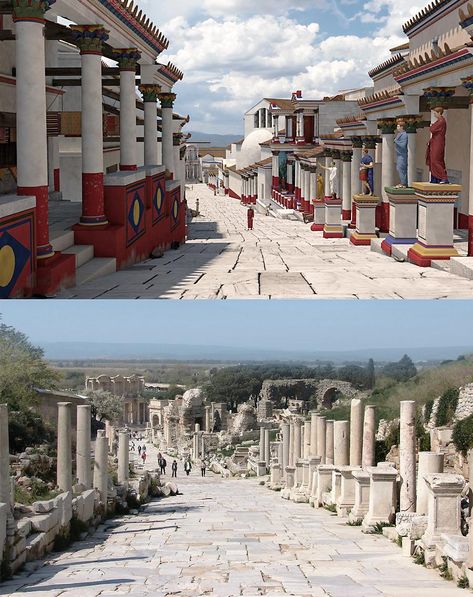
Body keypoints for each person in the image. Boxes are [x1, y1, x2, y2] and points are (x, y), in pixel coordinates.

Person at [426, 106, 449, 183]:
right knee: (433, 160)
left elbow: (432, 129)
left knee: (436, 160)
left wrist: (431, 126)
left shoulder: (441, 121)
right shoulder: (439, 121)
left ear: (439, 113)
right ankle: (435, 178)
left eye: (435, 113)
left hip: (438, 143)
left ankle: (443, 177)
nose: (434, 115)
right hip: (435, 142)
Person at [394, 120, 408, 187]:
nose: (397, 127)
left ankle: (404, 183)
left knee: (401, 168)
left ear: (402, 127)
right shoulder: (399, 134)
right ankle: (402, 182)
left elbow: (403, 145)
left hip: (402, 154)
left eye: (398, 126)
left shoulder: (404, 134)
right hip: (399, 154)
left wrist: (396, 141)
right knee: (398, 168)